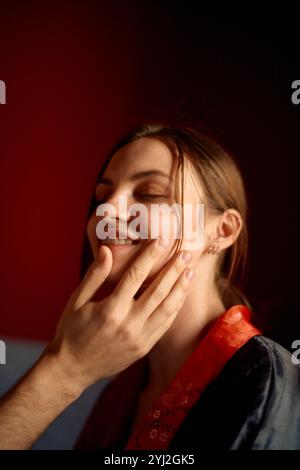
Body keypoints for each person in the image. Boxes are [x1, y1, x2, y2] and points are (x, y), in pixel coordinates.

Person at [0, 122, 299, 450]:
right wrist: (64, 366)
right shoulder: (121, 386)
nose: (107, 211)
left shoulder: (263, 378)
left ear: (222, 231)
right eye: (101, 197)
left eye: (150, 194)